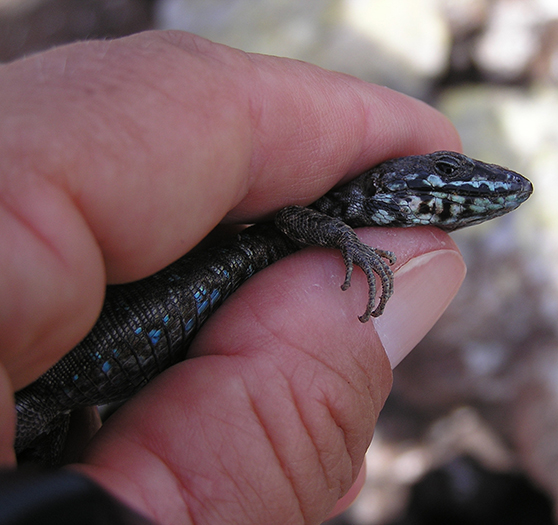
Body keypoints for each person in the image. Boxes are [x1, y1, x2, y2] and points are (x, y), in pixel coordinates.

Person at [0, 30, 466, 524]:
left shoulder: (328, 223)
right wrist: (347, 242)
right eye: (447, 167)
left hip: (54, 393)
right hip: (45, 384)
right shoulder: (317, 219)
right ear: (386, 181)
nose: (462, 177)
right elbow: (289, 218)